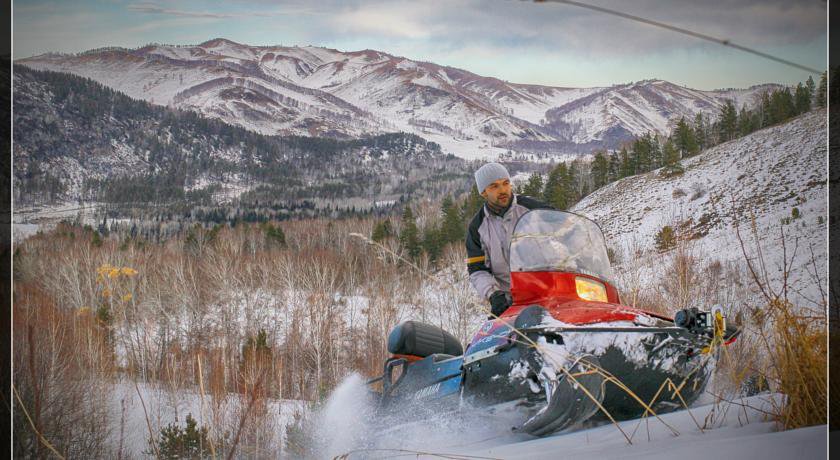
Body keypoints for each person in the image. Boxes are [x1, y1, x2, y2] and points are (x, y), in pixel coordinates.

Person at [466, 162, 553, 318]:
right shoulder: (477, 227)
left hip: (546, 290)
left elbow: (565, 234)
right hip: (509, 300)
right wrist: (493, 294)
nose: (503, 190)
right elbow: (477, 269)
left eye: (506, 183)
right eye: (494, 186)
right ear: (483, 193)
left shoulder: (532, 209)